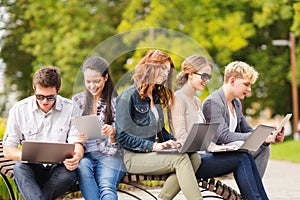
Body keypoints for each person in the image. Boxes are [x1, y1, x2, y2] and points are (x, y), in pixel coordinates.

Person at [169, 55, 269, 199]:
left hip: (202, 156)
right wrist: (212, 146)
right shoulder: (178, 99)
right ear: (190, 74)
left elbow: (204, 136)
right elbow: (181, 136)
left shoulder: (197, 101)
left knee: (244, 155)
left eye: (208, 77)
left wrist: (217, 147)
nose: (207, 80)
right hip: (190, 161)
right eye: (204, 76)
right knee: (241, 157)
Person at [116, 49, 203, 200]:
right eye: (162, 68)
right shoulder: (128, 96)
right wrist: (153, 146)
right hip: (131, 156)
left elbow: (160, 130)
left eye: (167, 71)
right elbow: (121, 136)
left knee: (194, 157)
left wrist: (176, 143)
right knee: (180, 160)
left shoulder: (155, 96)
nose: (165, 74)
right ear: (149, 67)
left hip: (151, 153)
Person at [3, 66, 84, 200]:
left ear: (58, 90)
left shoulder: (71, 108)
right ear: (34, 89)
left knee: (68, 175)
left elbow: (77, 144)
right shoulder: (19, 110)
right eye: (40, 97)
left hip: (60, 167)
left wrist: (77, 157)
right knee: (19, 169)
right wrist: (25, 155)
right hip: (31, 166)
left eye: (50, 97)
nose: (44, 102)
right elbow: (8, 149)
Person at [202, 61, 285, 178]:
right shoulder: (213, 103)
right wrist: (259, 137)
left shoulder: (236, 103)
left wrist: (268, 135)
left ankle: (253, 190)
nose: (249, 89)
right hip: (213, 157)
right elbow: (224, 136)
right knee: (244, 144)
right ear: (232, 81)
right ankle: (252, 192)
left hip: (230, 152)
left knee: (264, 148)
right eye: (246, 84)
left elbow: (247, 130)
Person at [72, 56, 126, 200]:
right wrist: (77, 138)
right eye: (88, 81)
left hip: (110, 155)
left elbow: (125, 139)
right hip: (85, 154)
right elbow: (70, 130)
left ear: (106, 77)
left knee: (106, 186)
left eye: (97, 81)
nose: (92, 86)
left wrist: (113, 133)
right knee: (82, 166)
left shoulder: (117, 102)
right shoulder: (77, 101)